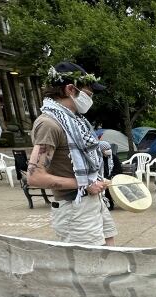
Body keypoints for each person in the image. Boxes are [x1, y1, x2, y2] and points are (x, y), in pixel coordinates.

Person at [27, 62, 115, 246]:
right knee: (90, 267)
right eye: (88, 95)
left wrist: (95, 180)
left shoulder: (75, 121)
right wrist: (84, 184)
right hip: (74, 207)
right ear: (69, 89)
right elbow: (35, 177)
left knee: (109, 251)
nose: (90, 100)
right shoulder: (49, 124)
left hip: (92, 200)